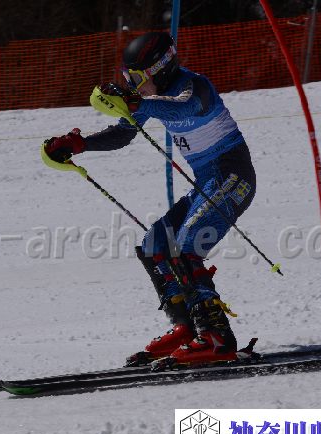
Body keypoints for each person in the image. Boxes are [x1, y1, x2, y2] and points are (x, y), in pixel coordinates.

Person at [43, 31, 256, 367]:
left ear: (161, 68)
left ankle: (216, 338)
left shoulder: (194, 87)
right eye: (128, 78)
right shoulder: (150, 98)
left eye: (136, 78)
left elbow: (185, 106)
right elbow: (123, 133)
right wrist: (79, 145)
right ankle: (188, 328)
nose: (132, 85)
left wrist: (138, 103)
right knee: (155, 244)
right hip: (207, 182)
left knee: (186, 247)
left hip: (232, 177)